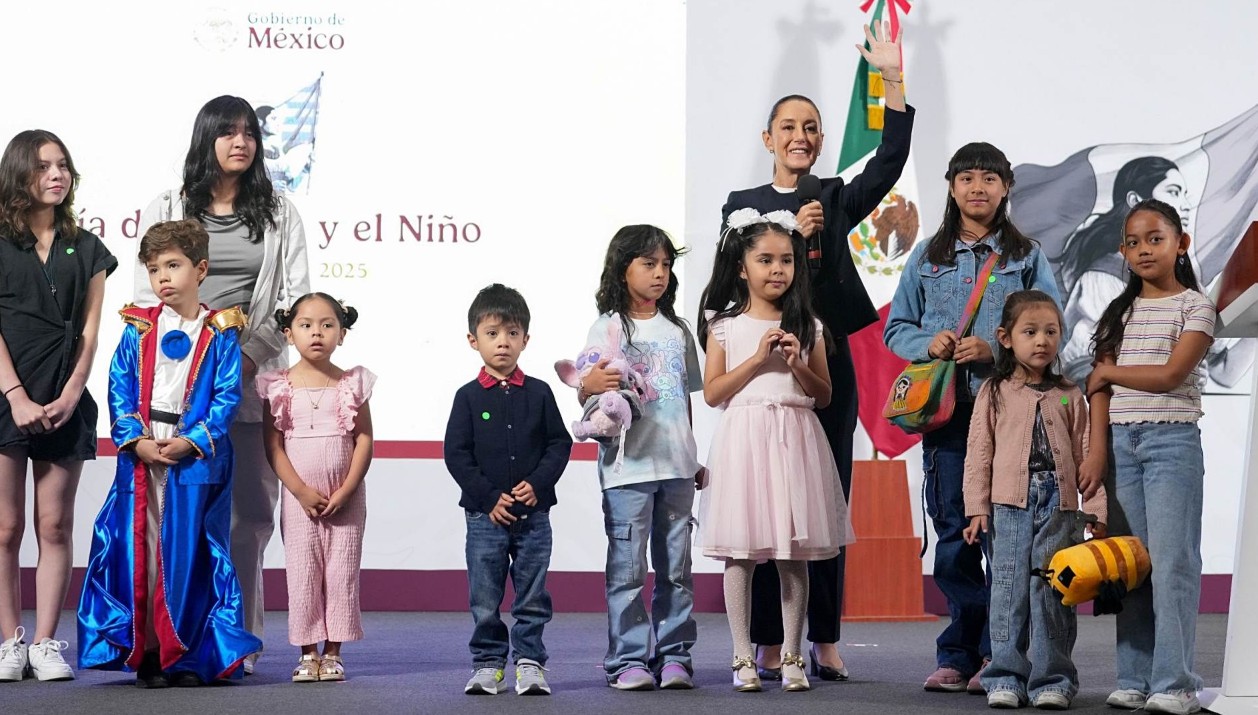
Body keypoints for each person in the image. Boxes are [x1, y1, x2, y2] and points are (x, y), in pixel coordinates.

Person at [720, 21, 912, 681]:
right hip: (758, 373)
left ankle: (824, 635)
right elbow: (729, 279)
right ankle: (769, 640)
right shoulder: (741, 206)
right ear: (768, 138)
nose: (801, 136)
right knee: (762, 506)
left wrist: (891, 78)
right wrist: (785, 232)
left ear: (821, 140)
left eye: (812, 128)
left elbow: (888, 162)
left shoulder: (832, 197)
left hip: (822, 367)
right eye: (789, 126)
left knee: (822, 500)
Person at [136, 95, 310, 672]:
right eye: (228, 132)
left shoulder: (280, 213)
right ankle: (170, 635)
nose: (241, 142)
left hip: (249, 380)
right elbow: (144, 302)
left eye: (250, 134)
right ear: (205, 137)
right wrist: (184, 366)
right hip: (176, 388)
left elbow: (294, 302)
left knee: (248, 517)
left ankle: (238, 640)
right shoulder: (169, 204)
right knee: (172, 513)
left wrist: (248, 359)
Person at [885, 142, 1061, 693]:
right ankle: (958, 653)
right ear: (952, 186)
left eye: (989, 178)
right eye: (967, 178)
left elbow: (1054, 329)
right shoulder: (927, 256)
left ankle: (1000, 656)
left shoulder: (1026, 256)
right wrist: (926, 341)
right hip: (946, 417)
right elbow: (895, 329)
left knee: (1005, 539)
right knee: (955, 537)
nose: (978, 187)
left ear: (1006, 187)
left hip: (1009, 414)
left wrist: (995, 350)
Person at [77, 219, 260, 687]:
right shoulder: (138, 329)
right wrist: (135, 439)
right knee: (146, 552)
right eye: (155, 268)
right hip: (143, 455)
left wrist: (192, 440)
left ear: (200, 269)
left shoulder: (220, 331)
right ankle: (153, 653)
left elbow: (225, 396)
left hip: (193, 457)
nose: (163, 277)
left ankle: (191, 654)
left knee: (193, 554)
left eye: (173, 266)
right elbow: (119, 388)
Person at [696, 209, 851, 693]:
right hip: (745, 439)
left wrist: (793, 362)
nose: (777, 269)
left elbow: (822, 394)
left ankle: (791, 656)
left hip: (794, 438)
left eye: (786, 260)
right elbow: (714, 392)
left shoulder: (810, 326)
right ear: (742, 267)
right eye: (765, 260)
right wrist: (758, 358)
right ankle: (742, 655)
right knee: (740, 555)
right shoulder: (723, 326)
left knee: (793, 553)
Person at [1084, 199, 1214, 715]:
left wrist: (1110, 374)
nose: (1143, 250)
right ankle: (1134, 677)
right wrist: (1095, 452)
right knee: (1130, 566)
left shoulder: (1195, 308)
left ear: (1179, 243)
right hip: (1119, 446)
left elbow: (1170, 376)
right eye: (1133, 242)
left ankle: (1176, 682)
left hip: (1171, 442)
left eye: (1154, 238)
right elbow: (1096, 391)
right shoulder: (1118, 312)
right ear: (1122, 251)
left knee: (1174, 562)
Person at [0, 130, 116, 682]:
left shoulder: (87, 247)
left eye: (63, 165)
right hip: (6, 399)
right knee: (4, 527)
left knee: (54, 525)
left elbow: (91, 332)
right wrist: (16, 396)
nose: (56, 174)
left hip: (65, 397)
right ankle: (10, 642)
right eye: (44, 165)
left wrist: (71, 393)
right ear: (19, 172)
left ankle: (46, 642)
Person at [961, 289, 1107, 709]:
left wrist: (1094, 512)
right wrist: (977, 508)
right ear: (1006, 338)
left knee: (1052, 591)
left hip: (1059, 508)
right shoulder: (995, 391)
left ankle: (1053, 680)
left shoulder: (1068, 393)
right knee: (1008, 591)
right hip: (1009, 506)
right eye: (1030, 332)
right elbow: (979, 454)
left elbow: (1085, 455)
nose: (1041, 340)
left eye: (1050, 331)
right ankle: (1004, 675)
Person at [579, 225, 703, 691]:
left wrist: (693, 455)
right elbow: (589, 391)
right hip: (626, 468)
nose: (660, 274)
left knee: (676, 568)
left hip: (677, 468)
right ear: (622, 266)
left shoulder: (677, 330)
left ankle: (674, 655)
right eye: (649, 264)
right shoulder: (607, 325)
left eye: (667, 265)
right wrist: (586, 386)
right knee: (628, 569)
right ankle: (627, 659)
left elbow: (685, 397)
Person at [444, 284, 572, 696]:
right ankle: (487, 664)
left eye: (512, 333)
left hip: (534, 517)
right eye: (493, 333)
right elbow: (457, 454)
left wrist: (537, 484)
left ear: (526, 340)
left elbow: (559, 444)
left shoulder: (539, 392)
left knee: (533, 594)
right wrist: (487, 497)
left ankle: (530, 663)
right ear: (473, 340)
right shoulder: (467, 397)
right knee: (485, 596)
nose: (503, 342)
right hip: (485, 517)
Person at [257, 293, 374, 683]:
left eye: (327, 325)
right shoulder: (278, 386)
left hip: (346, 498)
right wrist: (301, 491)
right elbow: (273, 446)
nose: (317, 333)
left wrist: (347, 489)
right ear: (289, 334)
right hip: (299, 499)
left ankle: (334, 652)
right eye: (306, 325)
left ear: (342, 333)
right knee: (303, 572)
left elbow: (364, 439)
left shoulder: (352, 384)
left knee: (341, 573)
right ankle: (308, 653)